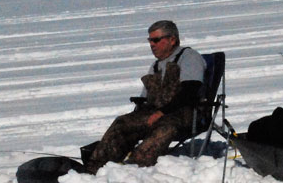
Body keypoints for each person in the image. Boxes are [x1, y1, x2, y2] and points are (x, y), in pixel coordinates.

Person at [83, 20, 206, 173]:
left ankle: (135, 167)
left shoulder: (189, 57)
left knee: (165, 127)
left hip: (185, 114)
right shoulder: (155, 66)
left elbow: (190, 90)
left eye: (156, 40)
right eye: (150, 40)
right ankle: (97, 166)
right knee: (122, 123)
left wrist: (162, 112)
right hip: (156, 112)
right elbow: (145, 97)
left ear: (172, 39)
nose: (152, 44)